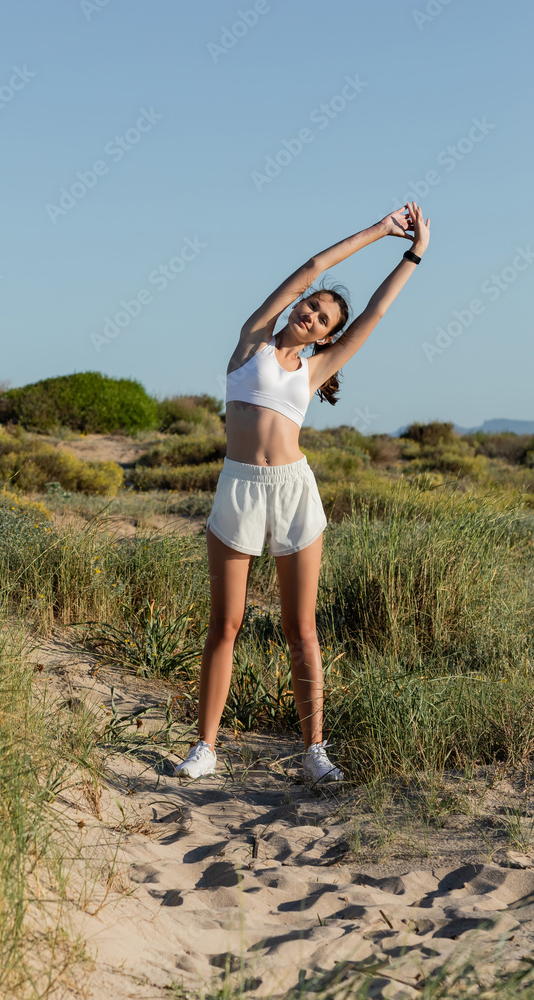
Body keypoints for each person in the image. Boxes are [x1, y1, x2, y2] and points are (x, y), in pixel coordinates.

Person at [175, 201, 431, 782]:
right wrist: (381, 229)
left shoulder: (312, 371)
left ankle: (314, 750)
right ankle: (205, 747)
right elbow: (313, 264)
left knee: (302, 627)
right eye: (311, 305)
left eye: (324, 319)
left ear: (327, 337)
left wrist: (413, 253)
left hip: (293, 491)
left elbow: (377, 311)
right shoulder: (251, 343)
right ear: (298, 305)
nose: (313, 314)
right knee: (226, 624)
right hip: (238, 487)